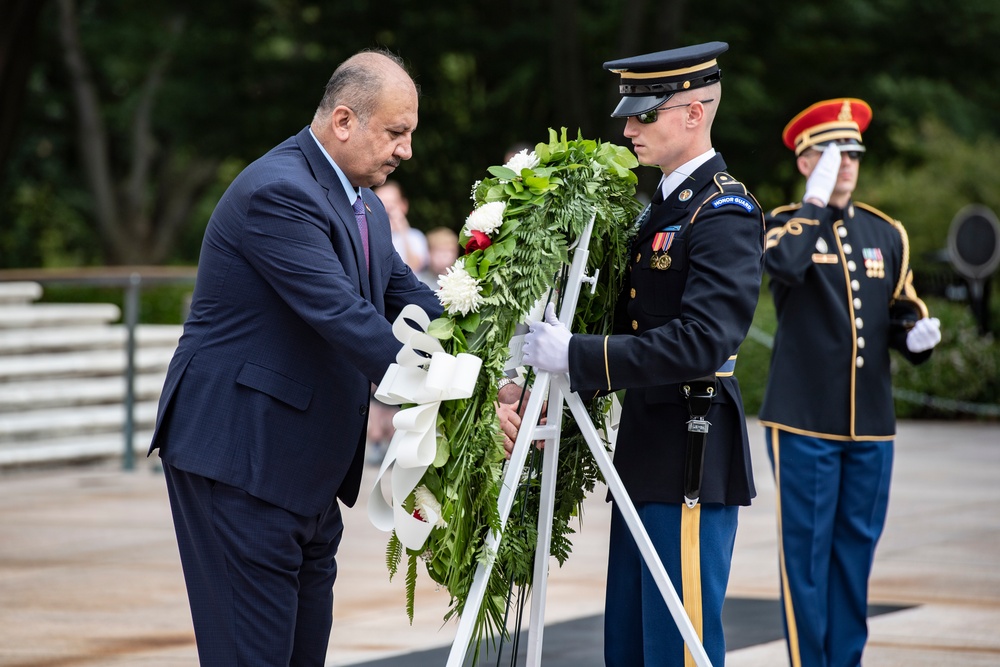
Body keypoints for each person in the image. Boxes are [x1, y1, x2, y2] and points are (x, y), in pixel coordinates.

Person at [147, 49, 443, 665]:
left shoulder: (360, 203)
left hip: (303, 470)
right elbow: (345, 317)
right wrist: (460, 385)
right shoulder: (279, 192)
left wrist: (496, 341)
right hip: (242, 458)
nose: (406, 150)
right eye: (396, 132)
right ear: (343, 121)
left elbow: (406, 297)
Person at [522, 41, 764, 666]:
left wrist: (578, 356)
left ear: (693, 112)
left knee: (674, 644)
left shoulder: (723, 211)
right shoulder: (659, 207)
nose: (628, 127)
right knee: (628, 643)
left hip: (690, 444)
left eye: (644, 114)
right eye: (629, 113)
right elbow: (633, 320)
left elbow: (704, 339)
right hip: (648, 446)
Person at [758, 98, 940, 667]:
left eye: (854, 152)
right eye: (835, 152)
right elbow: (783, 268)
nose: (849, 163)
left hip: (871, 425)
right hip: (804, 421)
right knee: (806, 560)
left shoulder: (885, 231)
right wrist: (814, 204)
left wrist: (914, 334)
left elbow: (900, 306)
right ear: (805, 160)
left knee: (854, 556)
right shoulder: (783, 224)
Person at [374, 179, 429, 273]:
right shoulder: (369, 235)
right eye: (381, 203)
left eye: (392, 203)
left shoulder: (416, 237)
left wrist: (403, 229)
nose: (387, 209)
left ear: (404, 205)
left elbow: (414, 266)